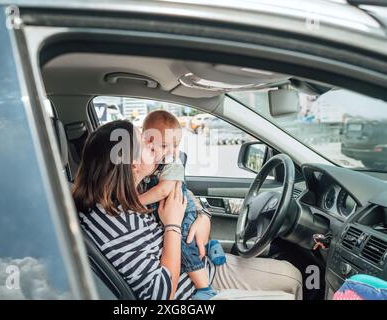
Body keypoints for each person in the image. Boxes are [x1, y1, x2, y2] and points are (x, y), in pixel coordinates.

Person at [73, 120, 303, 300]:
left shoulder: (135, 189)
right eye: (144, 143)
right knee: (287, 291)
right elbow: (161, 295)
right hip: (190, 292)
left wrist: (202, 217)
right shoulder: (112, 223)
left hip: (203, 268)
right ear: (132, 163)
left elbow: (182, 193)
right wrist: (172, 226)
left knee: (292, 276)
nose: (152, 143)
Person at [139, 110, 222, 300]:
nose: (172, 151)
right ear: (147, 141)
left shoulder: (172, 164)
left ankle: (205, 288)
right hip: (171, 215)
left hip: (182, 213)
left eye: (176, 145)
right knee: (191, 243)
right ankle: (211, 247)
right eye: (165, 145)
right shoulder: (148, 163)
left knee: (185, 246)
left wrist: (136, 202)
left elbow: (163, 190)